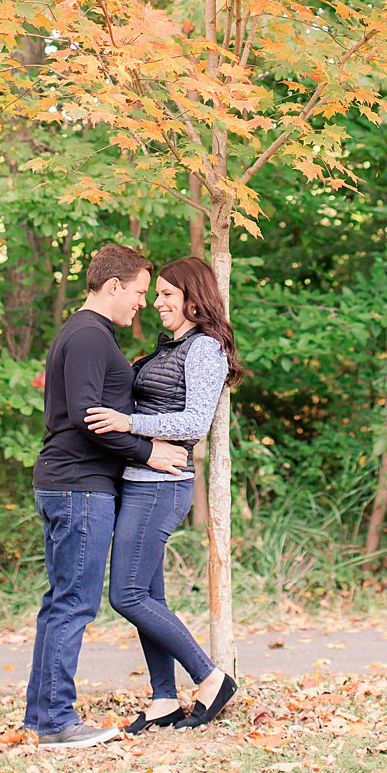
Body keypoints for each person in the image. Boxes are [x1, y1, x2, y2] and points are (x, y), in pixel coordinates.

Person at [24, 243, 190, 748]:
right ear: (113, 286)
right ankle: (56, 721)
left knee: (61, 602)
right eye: (139, 292)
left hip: (70, 483)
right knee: (74, 603)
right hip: (79, 487)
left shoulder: (86, 334)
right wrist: (149, 451)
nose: (143, 303)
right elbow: (87, 415)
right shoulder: (92, 335)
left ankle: (40, 716)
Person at [84, 256, 244, 732]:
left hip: (162, 486)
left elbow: (194, 422)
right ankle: (163, 700)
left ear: (194, 299)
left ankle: (211, 678)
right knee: (148, 595)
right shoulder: (167, 349)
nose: (156, 302)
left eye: (167, 294)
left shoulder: (205, 349)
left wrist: (128, 422)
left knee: (128, 595)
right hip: (139, 481)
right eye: (155, 295)